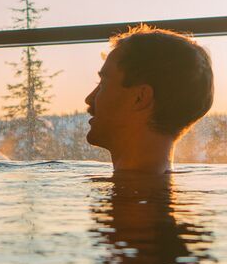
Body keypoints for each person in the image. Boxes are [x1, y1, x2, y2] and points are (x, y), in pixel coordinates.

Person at [84, 25, 214, 175]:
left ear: (140, 98)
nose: (89, 99)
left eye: (103, 85)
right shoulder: (158, 191)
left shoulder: (135, 194)